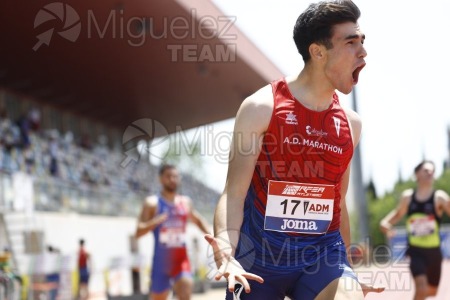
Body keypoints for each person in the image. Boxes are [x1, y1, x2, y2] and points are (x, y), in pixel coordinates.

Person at [204, 1, 384, 299]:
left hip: (321, 257)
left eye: (362, 41)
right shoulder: (260, 108)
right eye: (351, 42)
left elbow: (337, 203)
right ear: (317, 51)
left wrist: (348, 270)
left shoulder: (351, 125)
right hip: (258, 260)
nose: (362, 51)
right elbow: (233, 194)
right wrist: (226, 247)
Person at [135, 164, 210, 300]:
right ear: (160, 179)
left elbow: (198, 220)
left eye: (175, 176)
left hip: (181, 260)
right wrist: (154, 222)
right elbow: (138, 231)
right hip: (161, 262)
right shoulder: (152, 203)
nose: (172, 179)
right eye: (168, 176)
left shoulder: (185, 202)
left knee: (185, 292)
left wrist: (212, 236)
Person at [380, 160, 450, 300]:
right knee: (421, 288)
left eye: (432, 171)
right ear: (417, 174)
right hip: (416, 251)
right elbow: (397, 214)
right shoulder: (408, 197)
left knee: (431, 292)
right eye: (426, 170)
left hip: (434, 253)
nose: (430, 173)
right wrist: (385, 223)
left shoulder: (440, 198)